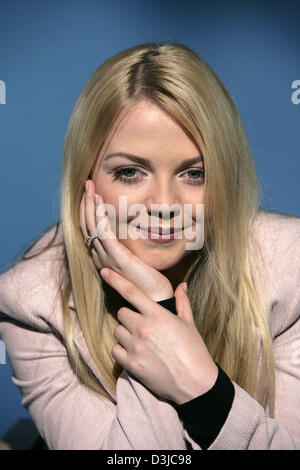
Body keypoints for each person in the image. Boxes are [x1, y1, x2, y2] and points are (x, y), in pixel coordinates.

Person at [0, 41, 299, 450]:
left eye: (194, 174)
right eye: (129, 172)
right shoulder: (32, 304)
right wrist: (153, 305)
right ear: (85, 179)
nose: (162, 204)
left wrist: (203, 391)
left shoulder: (291, 269)